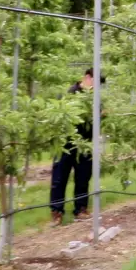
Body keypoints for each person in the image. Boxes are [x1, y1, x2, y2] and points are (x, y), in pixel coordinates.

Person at [49, 67, 105, 227]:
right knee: (59, 178)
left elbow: (99, 119)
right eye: (95, 82)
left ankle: (80, 209)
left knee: (83, 177)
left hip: (86, 144)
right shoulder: (70, 94)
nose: (96, 87)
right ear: (87, 77)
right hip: (66, 144)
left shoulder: (95, 98)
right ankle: (57, 212)